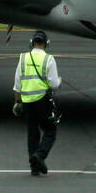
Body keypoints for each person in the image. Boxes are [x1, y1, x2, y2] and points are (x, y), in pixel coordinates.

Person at [12, 30, 61, 175]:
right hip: (42, 100)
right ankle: (39, 155)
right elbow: (53, 84)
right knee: (50, 131)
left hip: (27, 101)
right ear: (46, 44)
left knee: (32, 133)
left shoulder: (23, 58)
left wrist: (17, 102)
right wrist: (60, 81)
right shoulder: (49, 59)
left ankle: (34, 168)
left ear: (31, 43)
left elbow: (17, 84)